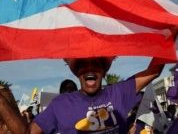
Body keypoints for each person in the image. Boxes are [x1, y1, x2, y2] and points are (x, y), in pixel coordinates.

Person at [0, 55, 166, 134]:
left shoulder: (119, 92)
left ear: (103, 70)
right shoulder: (60, 105)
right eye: (82, 65)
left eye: (95, 63)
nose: (89, 68)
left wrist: (172, 28)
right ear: (77, 72)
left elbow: (154, 70)